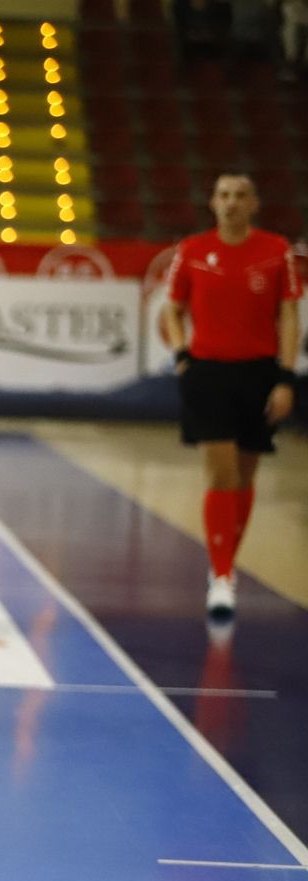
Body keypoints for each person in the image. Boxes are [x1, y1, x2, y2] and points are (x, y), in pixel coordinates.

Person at [161, 173, 301, 619]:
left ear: (255, 203)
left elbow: (290, 315)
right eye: (223, 195)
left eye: (241, 196)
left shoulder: (277, 251)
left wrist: (285, 378)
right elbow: (172, 306)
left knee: (245, 475)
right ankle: (221, 576)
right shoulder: (194, 251)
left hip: (259, 373)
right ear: (212, 202)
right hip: (209, 373)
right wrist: (183, 354)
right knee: (221, 475)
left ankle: (225, 565)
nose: (231, 203)